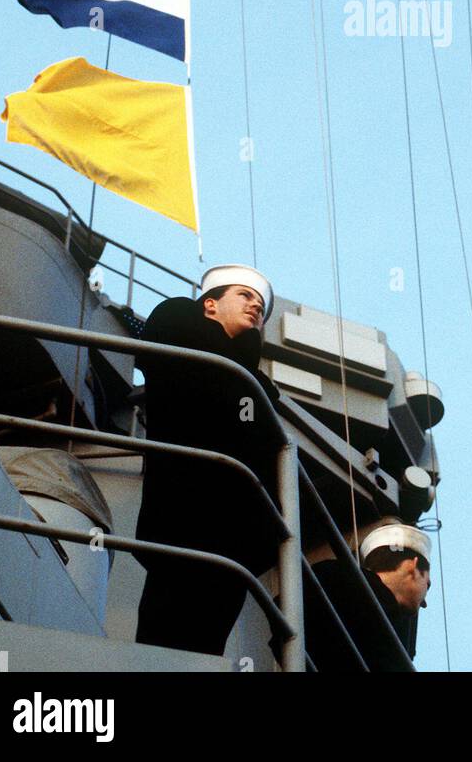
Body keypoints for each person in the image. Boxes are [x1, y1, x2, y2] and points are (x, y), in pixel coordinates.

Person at [134, 263, 283, 656]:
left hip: (233, 539)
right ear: (210, 305)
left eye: (260, 306)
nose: (255, 307)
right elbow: (166, 342)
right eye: (244, 296)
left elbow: (260, 442)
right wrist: (241, 359)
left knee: (205, 648)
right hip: (181, 518)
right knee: (161, 645)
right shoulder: (178, 320)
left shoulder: (257, 385)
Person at [305, 523, 431, 672]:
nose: (424, 603)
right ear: (413, 566)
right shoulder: (395, 636)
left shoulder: (326, 575)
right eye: (427, 585)